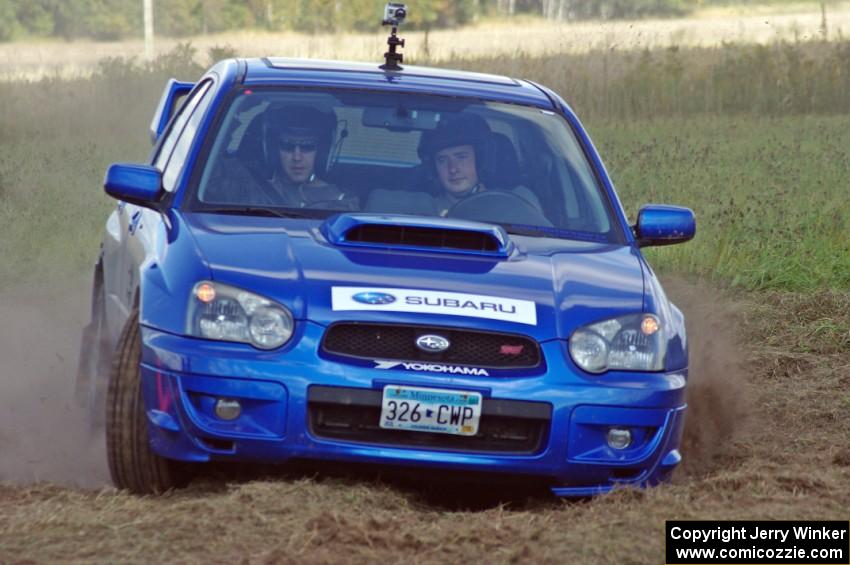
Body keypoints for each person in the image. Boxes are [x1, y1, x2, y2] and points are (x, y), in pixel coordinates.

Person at [206, 105, 357, 211]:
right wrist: (234, 111)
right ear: (273, 150)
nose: (297, 157)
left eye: (307, 146)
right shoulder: (247, 186)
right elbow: (205, 168)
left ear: (321, 152)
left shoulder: (340, 201)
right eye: (287, 146)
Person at [416, 114, 542, 217]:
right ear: (433, 169)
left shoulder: (519, 201)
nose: (453, 169)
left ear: (482, 161)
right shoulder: (420, 210)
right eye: (442, 160)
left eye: (461, 157)